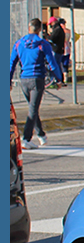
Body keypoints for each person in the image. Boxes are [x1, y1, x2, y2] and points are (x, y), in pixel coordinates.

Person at [10, 19, 61, 149]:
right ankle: (26, 139)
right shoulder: (43, 44)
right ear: (39, 29)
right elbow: (52, 63)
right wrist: (59, 79)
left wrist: (8, 81)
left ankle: (41, 135)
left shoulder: (18, 44)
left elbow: (11, 64)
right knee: (33, 109)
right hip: (37, 79)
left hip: (24, 80)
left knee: (33, 107)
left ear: (29, 27)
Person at [48, 17, 67, 86]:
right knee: (58, 65)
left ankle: (54, 79)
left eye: (51, 24)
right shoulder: (60, 29)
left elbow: (52, 39)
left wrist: (48, 35)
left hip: (56, 50)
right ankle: (60, 79)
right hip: (59, 50)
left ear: (53, 23)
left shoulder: (57, 30)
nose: (51, 26)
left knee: (53, 65)